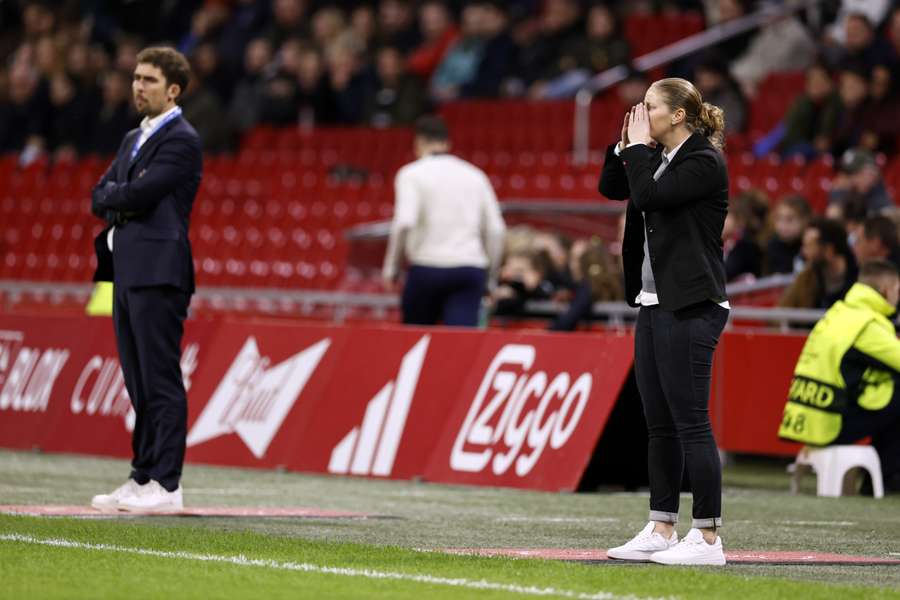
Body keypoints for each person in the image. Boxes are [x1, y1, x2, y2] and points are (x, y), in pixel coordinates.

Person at [599, 77, 730, 566]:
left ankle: (709, 537)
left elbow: (650, 196)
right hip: (654, 301)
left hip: (692, 303)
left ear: (677, 115)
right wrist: (623, 147)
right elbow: (613, 187)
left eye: (650, 106)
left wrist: (637, 151)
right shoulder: (658, 158)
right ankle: (661, 526)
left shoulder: (702, 161)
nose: (642, 112)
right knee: (659, 424)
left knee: (691, 422)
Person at [89, 46, 202, 513]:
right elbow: (101, 195)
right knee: (137, 382)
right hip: (128, 272)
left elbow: (140, 192)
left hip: (159, 272)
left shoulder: (182, 138)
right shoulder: (133, 137)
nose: (138, 86)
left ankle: (168, 485)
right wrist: (120, 196)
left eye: (149, 80)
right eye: (136, 77)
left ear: (172, 90)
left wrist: (119, 196)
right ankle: (142, 477)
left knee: (160, 379)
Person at [778, 260, 900, 493]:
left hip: (806, 417)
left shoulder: (839, 313)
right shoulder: (866, 324)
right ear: (886, 290)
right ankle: (885, 479)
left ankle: (882, 475)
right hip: (830, 423)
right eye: (897, 290)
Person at [383, 116, 506, 326]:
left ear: (418, 143)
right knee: (460, 347)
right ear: (447, 143)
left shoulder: (411, 174)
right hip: (469, 268)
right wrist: (491, 278)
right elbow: (496, 230)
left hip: (426, 266)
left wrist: (392, 267)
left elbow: (404, 222)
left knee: (416, 344)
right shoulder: (475, 175)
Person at [779, 218, 858, 310]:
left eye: (809, 246)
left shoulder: (859, 278)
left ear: (829, 250)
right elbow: (782, 312)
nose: (803, 252)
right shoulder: (806, 278)